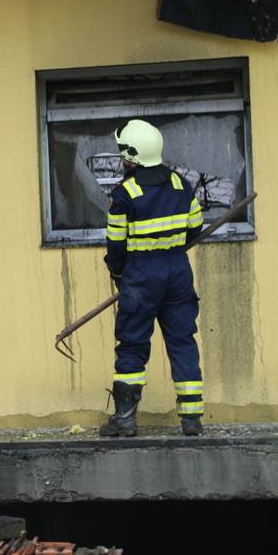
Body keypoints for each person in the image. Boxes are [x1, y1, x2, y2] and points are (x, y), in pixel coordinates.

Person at [100, 119, 205, 438]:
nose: (121, 160)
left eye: (123, 154)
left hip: (141, 276)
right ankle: (191, 420)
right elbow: (195, 227)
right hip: (177, 272)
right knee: (182, 340)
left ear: (133, 155)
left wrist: (118, 273)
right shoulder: (180, 184)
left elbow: (116, 245)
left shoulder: (124, 193)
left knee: (132, 343)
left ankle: (125, 419)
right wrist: (170, 247)